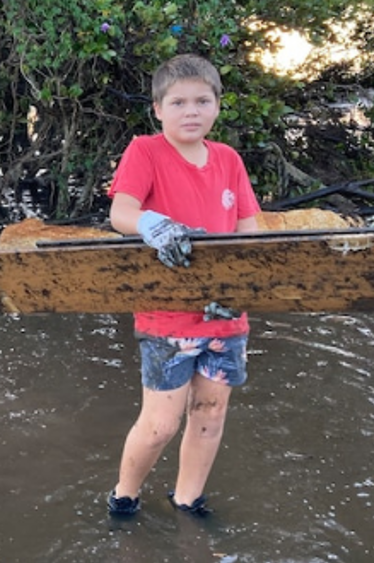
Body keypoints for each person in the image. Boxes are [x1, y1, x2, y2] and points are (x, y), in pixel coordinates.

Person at [105, 53, 261, 517]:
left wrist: (239, 291)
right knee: (160, 424)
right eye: (178, 103)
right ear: (158, 109)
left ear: (217, 106)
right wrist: (150, 223)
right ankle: (124, 496)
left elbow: (250, 232)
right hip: (166, 315)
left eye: (202, 101)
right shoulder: (145, 151)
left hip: (224, 314)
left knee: (210, 413)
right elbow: (121, 212)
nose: (191, 111)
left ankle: (188, 499)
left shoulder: (229, 159)